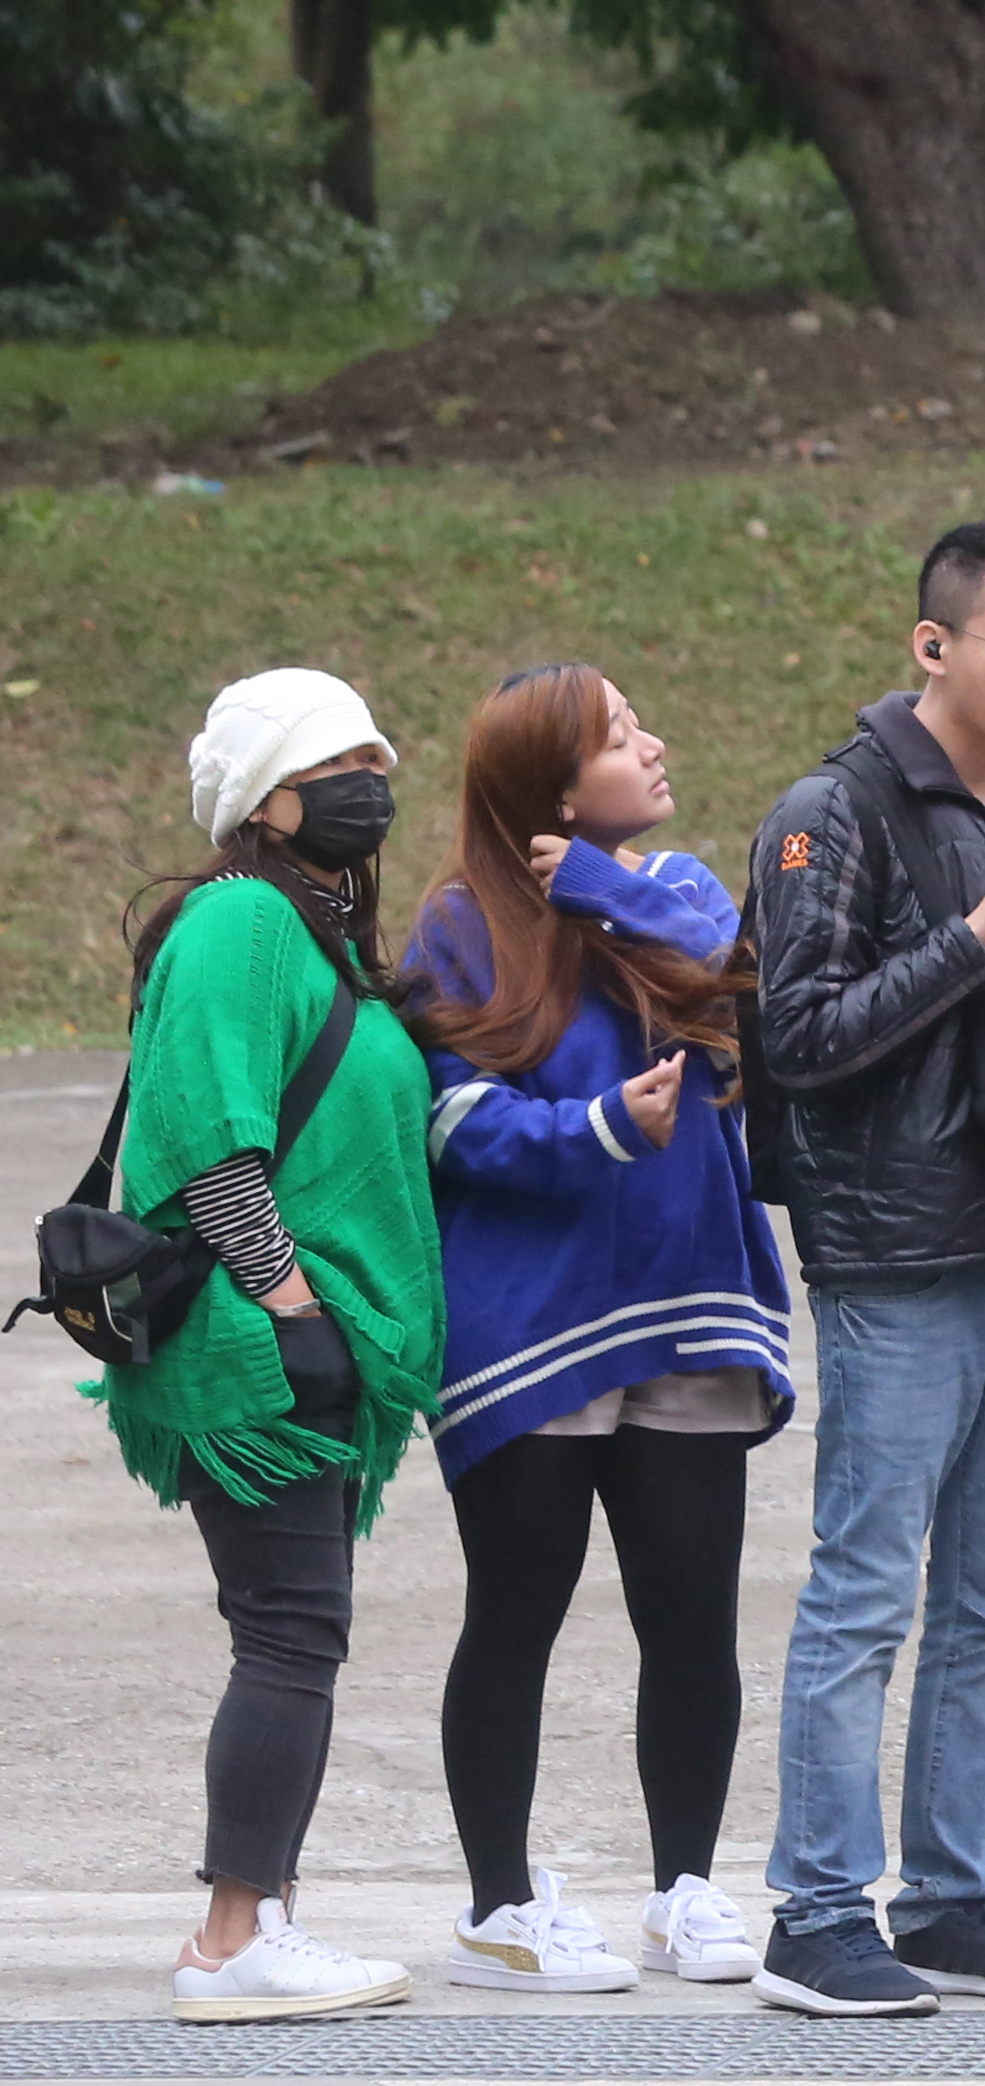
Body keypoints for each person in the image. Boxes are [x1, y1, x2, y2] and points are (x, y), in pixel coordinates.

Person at [743, 518, 985, 2018]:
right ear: (935, 647)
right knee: (864, 1592)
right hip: (896, 1248)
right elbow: (806, 1038)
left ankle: (954, 1897)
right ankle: (818, 1910)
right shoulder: (827, 812)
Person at [406, 667, 797, 1998]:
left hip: (687, 1308)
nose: (657, 743)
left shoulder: (671, 890)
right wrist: (594, 1131)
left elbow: (730, 969)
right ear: (556, 787)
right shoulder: (459, 926)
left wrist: (592, 883)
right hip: (529, 1329)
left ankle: (686, 1889)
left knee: (692, 1620)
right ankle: (500, 1906)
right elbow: (447, 1120)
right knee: (516, 1614)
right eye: (624, 736)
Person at [97, 667, 446, 2024]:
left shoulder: (310, 937)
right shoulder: (242, 919)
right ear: (277, 794)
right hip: (258, 1350)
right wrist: (296, 1309)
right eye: (350, 755)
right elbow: (210, 1144)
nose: (380, 775)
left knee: (292, 1627)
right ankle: (235, 1936)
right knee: (291, 1632)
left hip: (296, 1343)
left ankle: (262, 1920)